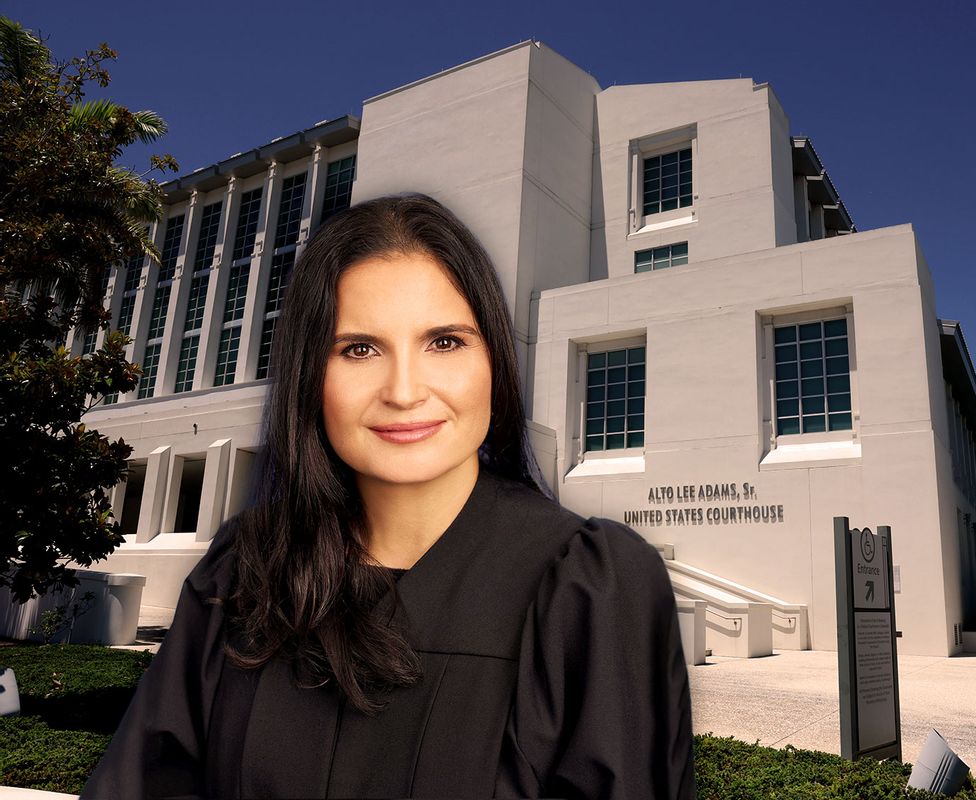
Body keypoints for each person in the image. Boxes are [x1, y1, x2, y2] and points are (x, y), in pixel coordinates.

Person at [81, 194, 695, 799]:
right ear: (309, 377)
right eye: (359, 349)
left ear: (495, 364)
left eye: (445, 342)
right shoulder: (246, 569)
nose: (403, 391)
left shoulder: (589, 587)